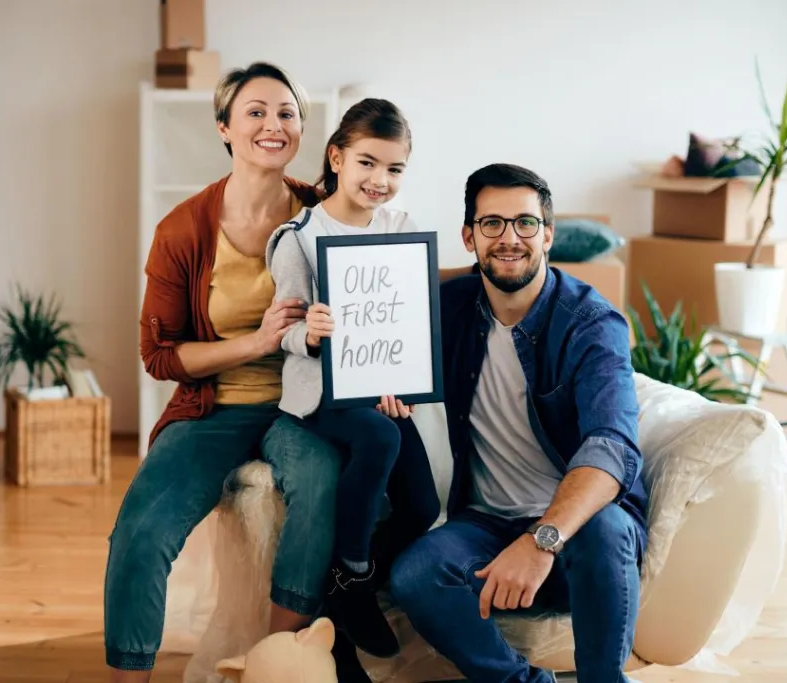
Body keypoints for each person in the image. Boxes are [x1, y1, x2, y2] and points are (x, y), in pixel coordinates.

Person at [103, 62, 344, 682]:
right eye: (255, 112)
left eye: (286, 113)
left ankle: (274, 663)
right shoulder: (182, 229)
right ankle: (129, 675)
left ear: (302, 128)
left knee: (318, 479)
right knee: (141, 529)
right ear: (224, 128)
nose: (273, 124)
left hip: (301, 405)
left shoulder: (325, 213)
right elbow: (161, 356)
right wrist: (257, 340)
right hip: (214, 407)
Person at [388, 163, 649, 683]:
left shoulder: (590, 322)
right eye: (491, 224)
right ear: (468, 237)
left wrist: (540, 541)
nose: (510, 238)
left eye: (525, 223)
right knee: (415, 573)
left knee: (605, 526)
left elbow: (612, 446)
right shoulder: (447, 310)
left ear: (548, 234)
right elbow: (373, 321)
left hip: (579, 535)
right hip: (483, 523)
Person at [265, 98, 470, 661]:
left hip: (383, 391)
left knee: (423, 507)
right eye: (367, 163)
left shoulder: (401, 228)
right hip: (323, 392)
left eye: (395, 168)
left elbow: (409, 321)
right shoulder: (298, 236)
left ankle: (340, 588)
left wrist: (401, 380)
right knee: (377, 438)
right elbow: (280, 332)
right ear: (336, 157)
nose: (380, 180)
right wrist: (309, 330)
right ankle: (354, 578)